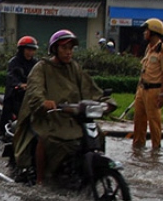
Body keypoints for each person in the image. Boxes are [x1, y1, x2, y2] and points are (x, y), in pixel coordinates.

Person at [12, 30, 109, 185]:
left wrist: (105, 101)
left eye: (71, 48)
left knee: (98, 134)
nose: (68, 52)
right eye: (64, 48)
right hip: (48, 117)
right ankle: (40, 180)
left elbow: (89, 87)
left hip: (72, 116)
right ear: (55, 49)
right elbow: (35, 90)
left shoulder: (74, 68)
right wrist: (43, 102)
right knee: (46, 139)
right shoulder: (42, 67)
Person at [131, 18, 163, 150]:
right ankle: (138, 146)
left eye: (146, 30)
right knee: (138, 120)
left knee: (154, 122)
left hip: (154, 91)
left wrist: (162, 94)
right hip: (142, 89)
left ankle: (156, 149)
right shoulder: (149, 49)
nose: (144, 33)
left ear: (153, 32)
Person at [0, 35, 39, 136]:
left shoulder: (35, 63)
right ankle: (0, 132)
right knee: (8, 106)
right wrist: (19, 84)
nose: (31, 52)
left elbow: (40, 75)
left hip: (31, 92)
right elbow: (11, 76)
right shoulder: (14, 62)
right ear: (22, 50)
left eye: (33, 50)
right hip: (15, 92)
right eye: (28, 49)